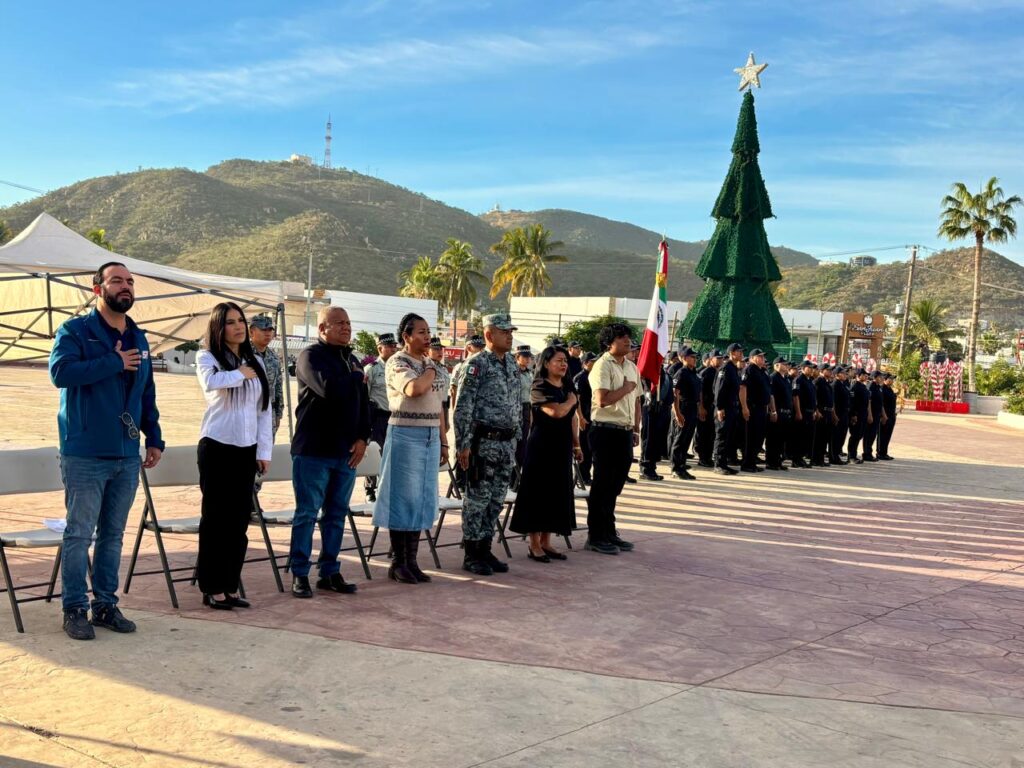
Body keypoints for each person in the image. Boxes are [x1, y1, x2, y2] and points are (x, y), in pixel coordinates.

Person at [49, 261, 164, 640]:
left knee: (113, 535)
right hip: (84, 452)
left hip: (126, 454)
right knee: (79, 534)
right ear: (98, 288)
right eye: (117, 280)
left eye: (130, 281)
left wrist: (154, 436)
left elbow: (146, 391)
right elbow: (61, 373)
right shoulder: (75, 331)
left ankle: (105, 605)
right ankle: (74, 608)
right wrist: (113, 361)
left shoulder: (138, 337)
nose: (125, 286)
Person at [194, 303, 273, 610]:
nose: (239, 326)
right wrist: (238, 374)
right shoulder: (207, 357)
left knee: (239, 521)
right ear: (219, 327)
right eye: (231, 322)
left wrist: (263, 451)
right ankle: (211, 587)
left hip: (246, 449)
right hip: (217, 446)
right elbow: (210, 383)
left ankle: (229, 586)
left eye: (241, 320)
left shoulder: (256, 361)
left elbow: (263, 410)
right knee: (216, 520)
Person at [289, 306, 370, 598]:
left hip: (345, 453)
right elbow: (328, 388)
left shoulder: (352, 360)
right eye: (339, 323)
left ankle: (329, 572)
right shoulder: (310, 357)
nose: (346, 328)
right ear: (322, 328)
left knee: (336, 515)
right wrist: (357, 376)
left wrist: (363, 437)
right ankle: (300, 573)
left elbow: (364, 403)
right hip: (314, 451)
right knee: (307, 513)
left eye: (348, 323)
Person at [372, 314, 449, 584]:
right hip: (405, 434)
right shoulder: (398, 361)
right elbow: (414, 389)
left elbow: (439, 405)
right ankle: (398, 562)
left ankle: (412, 561)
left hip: (430, 434)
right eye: (421, 332)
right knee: (403, 497)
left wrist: (443, 440)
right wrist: (430, 371)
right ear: (406, 336)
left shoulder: (431, 364)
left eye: (428, 332)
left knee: (422, 498)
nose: (427, 337)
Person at [453, 314, 521, 575]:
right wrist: (463, 445)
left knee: (496, 500)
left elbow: (516, 402)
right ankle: (471, 554)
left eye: (511, 331)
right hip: (483, 443)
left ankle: (485, 548)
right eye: (504, 332)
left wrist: (516, 436)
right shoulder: (476, 364)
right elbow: (463, 407)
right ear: (489, 335)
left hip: (506, 443)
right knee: (477, 500)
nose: (510, 336)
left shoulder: (511, 363)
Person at [509, 346, 581, 562]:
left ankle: (546, 541)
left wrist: (577, 445)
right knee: (538, 493)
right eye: (559, 360)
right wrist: (571, 401)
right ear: (547, 363)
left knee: (556, 492)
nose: (564, 364)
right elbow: (556, 412)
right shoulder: (539, 386)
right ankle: (533, 544)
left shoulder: (567, 386)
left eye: (565, 360)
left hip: (562, 446)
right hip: (541, 447)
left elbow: (572, 418)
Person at [584, 323, 641, 555]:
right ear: (609, 342)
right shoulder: (602, 365)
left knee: (615, 485)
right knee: (602, 484)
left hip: (624, 432)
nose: (627, 341)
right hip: (605, 430)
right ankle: (596, 535)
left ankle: (609, 531)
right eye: (621, 337)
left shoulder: (631, 366)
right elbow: (602, 400)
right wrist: (626, 388)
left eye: (628, 337)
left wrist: (635, 429)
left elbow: (637, 400)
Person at [363, 332, 398, 501]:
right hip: (377, 418)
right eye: (389, 346)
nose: (393, 349)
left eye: (394, 346)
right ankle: (370, 490)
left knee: (392, 455)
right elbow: (364, 397)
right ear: (380, 348)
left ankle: (387, 489)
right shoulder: (371, 369)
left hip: (395, 417)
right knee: (375, 453)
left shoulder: (398, 368)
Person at [249, 314, 284, 435]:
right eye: (263, 329)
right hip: (247, 413)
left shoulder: (274, 357)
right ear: (251, 332)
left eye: (270, 330)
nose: (268, 333)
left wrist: (278, 414)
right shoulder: (242, 355)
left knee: (266, 446)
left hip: (269, 414)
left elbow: (278, 388)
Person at [670, 347, 700, 480]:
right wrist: (677, 413)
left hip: (692, 408)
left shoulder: (693, 373)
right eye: (692, 357)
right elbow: (675, 394)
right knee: (679, 439)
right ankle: (676, 468)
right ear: (683, 358)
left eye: (695, 357)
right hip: (683, 408)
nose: (695, 359)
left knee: (686, 439)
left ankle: (682, 465)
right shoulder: (681, 373)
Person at [713, 343, 743, 475]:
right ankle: (718, 464)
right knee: (722, 437)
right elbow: (718, 389)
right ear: (732, 353)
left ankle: (724, 463)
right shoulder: (725, 368)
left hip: (732, 408)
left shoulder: (734, 369)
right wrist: (719, 408)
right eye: (739, 351)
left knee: (728, 437)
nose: (741, 354)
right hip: (724, 409)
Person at [639, 363, 672, 481]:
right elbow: (645, 389)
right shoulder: (648, 373)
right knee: (648, 439)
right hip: (650, 408)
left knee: (656, 440)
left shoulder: (664, 373)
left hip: (662, 410)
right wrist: (651, 401)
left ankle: (652, 466)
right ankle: (645, 468)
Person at [739, 349, 771, 472]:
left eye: (763, 356)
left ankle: (752, 462)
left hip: (762, 408)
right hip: (752, 407)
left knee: (758, 437)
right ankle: (747, 463)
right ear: (752, 358)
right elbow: (743, 388)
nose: (763, 358)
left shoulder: (762, 371)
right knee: (750, 437)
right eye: (760, 356)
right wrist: (744, 407)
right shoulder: (749, 369)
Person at [574, 352, 597, 483]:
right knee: (584, 447)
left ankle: (587, 474)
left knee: (591, 448)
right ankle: (582, 476)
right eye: (592, 361)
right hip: (584, 417)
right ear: (585, 363)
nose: (595, 363)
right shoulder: (580, 378)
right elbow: (577, 399)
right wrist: (580, 417)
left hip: (593, 416)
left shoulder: (594, 376)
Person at [695, 350, 721, 467]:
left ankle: (708, 457)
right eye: (717, 358)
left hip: (713, 407)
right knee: (704, 433)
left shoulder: (718, 372)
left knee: (711, 434)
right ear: (711, 360)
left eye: (721, 358)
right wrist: (701, 407)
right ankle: (703, 458)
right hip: (705, 407)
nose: (720, 360)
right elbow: (700, 391)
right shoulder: (706, 373)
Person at [765, 357, 792, 471]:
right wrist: (773, 411)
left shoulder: (785, 379)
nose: (786, 366)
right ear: (776, 365)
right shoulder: (773, 378)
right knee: (773, 438)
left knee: (781, 439)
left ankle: (778, 461)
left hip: (786, 413)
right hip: (778, 412)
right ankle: (771, 462)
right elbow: (771, 396)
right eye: (784, 364)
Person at [513, 344, 534, 479]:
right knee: (514, 444)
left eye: (529, 357)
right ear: (517, 357)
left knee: (523, 445)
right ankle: (511, 479)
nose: (527, 359)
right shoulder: (512, 372)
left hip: (526, 409)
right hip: (515, 409)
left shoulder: (529, 373)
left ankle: (517, 479)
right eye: (524, 357)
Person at [794, 361, 818, 467]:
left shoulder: (810, 381)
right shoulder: (799, 380)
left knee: (806, 437)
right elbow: (796, 396)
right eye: (809, 367)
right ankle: (796, 459)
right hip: (802, 412)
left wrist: (814, 410)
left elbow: (813, 398)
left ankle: (801, 458)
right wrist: (798, 412)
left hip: (810, 412)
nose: (811, 369)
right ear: (803, 368)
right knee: (799, 437)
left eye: (812, 368)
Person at [450, 335, 485, 406]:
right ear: (468, 348)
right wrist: (454, 410)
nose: (481, 350)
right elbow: (453, 390)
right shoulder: (459, 366)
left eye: (482, 347)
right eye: (477, 346)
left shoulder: (485, 366)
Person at [812, 364, 836, 466]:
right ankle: (815, 459)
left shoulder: (827, 383)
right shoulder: (818, 381)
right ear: (822, 371)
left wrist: (833, 414)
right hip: (821, 413)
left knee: (825, 438)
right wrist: (816, 410)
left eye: (831, 370)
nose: (830, 372)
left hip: (828, 413)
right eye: (828, 370)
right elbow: (814, 397)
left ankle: (820, 459)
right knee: (818, 438)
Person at [428, 337, 451, 436]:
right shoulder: (426, 367)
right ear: (427, 350)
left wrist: (446, 416)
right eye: (435, 349)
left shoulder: (443, 369)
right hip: (431, 407)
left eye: (441, 349)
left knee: (443, 434)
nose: (440, 351)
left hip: (444, 406)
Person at [847, 368, 870, 464]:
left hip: (863, 415)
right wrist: (853, 415)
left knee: (859, 435)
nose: (866, 376)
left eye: (866, 375)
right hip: (857, 415)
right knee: (855, 436)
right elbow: (852, 402)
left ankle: (854, 455)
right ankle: (851, 456)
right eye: (864, 375)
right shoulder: (855, 386)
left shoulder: (863, 386)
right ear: (858, 376)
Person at [863, 371, 886, 461]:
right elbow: (869, 402)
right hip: (872, 414)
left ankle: (869, 453)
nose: (882, 378)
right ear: (875, 377)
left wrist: (883, 414)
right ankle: (866, 454)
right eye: (880, 377)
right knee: (869, 435)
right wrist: (870, 415)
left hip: (877, 414)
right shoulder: (871, 386)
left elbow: (881, 402)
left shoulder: (878, 387)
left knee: (873, 435)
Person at [830, 366, 851, 465]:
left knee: (842, 435)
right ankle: (833, 457)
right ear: (837, 375)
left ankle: (837, 454)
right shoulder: (835, 385)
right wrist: (834, 415)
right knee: (836, 436)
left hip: (844, 414)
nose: (845, 374)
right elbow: (833, 402)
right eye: (843, 373)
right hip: (838, 414)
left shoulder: (843, 384)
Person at [878, 373, 898, 460]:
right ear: (885, 380)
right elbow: (881, 404)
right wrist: (883, 415)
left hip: (891, 415)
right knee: (883, 435)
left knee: (887, 435)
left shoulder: (890, 389)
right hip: (885, 416)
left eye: (893, 379)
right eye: (890, 379)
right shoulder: (882, 389)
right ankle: (880, 453)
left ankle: (884, 452)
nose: (892, 381)